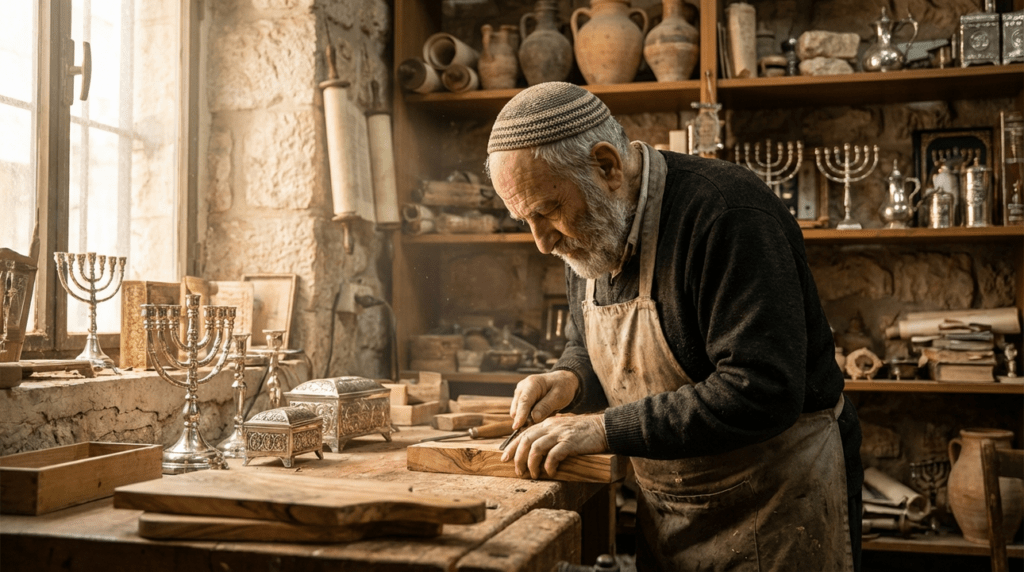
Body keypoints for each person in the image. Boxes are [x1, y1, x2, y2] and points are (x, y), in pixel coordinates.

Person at [484, 82, 863, 572]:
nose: (540, 242)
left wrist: (604, 428)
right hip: (674, 512)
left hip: (778, 502)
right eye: (524, 220)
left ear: (606, 166)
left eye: (546, 212)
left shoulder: (726, 212)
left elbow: (763, 389)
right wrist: (569, 378)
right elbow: (587, 342)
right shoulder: (586, 225)